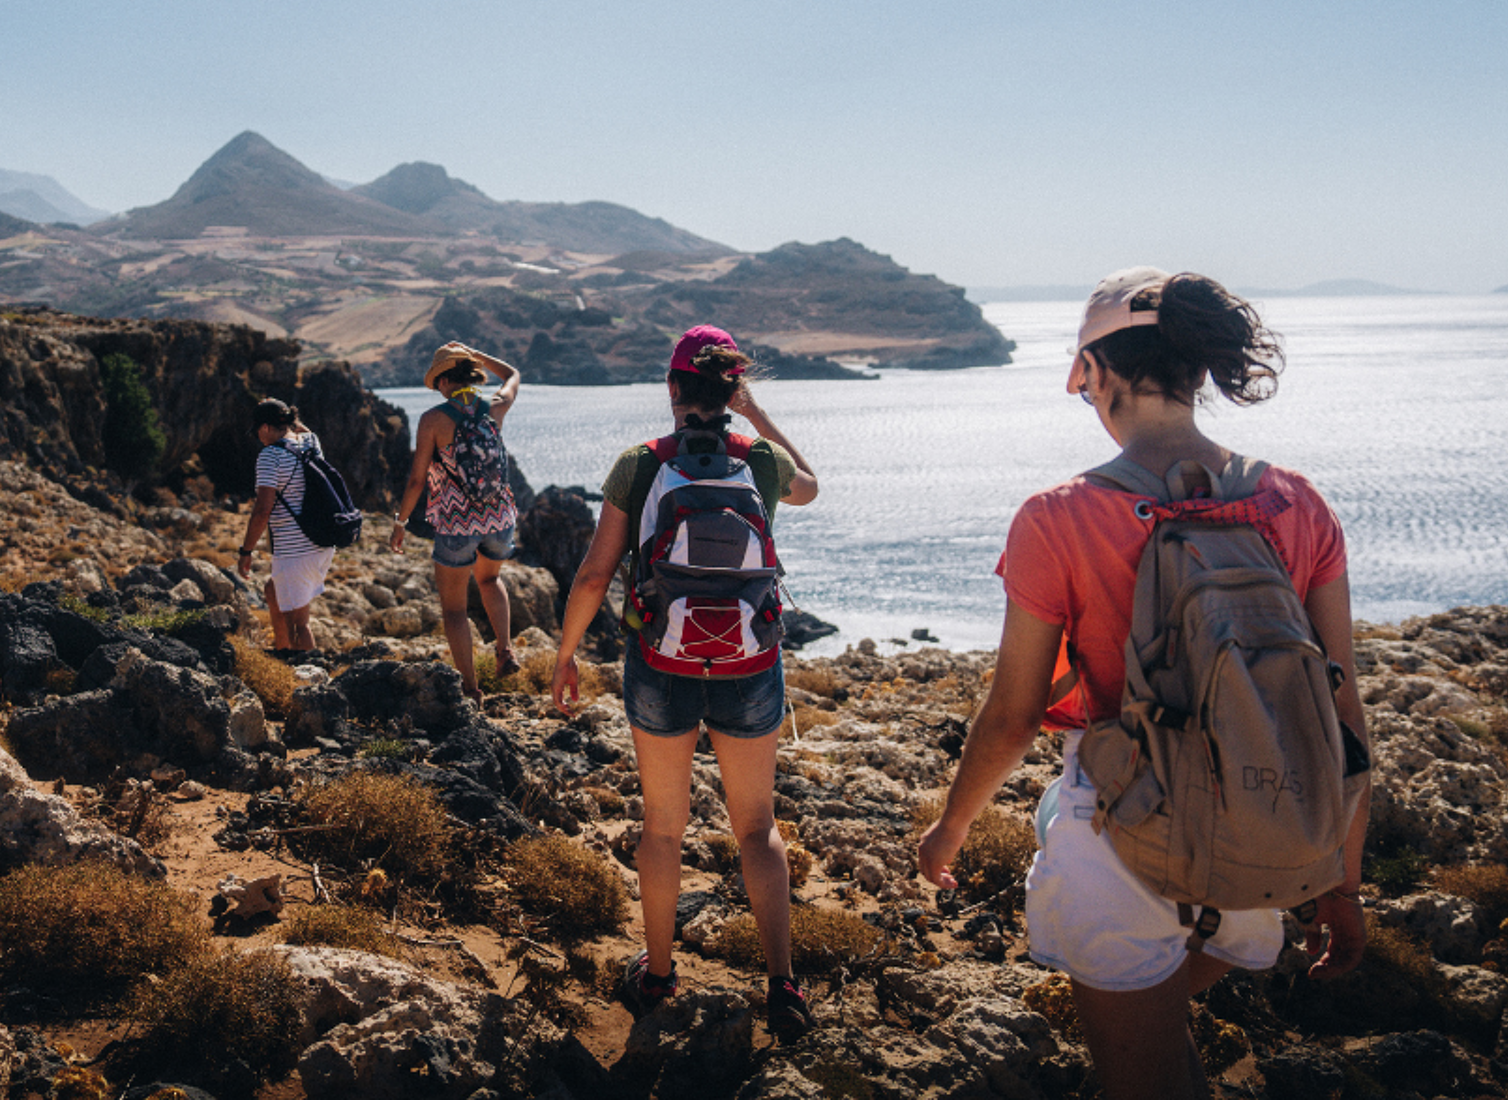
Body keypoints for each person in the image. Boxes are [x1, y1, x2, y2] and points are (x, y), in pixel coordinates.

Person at [916, 269, 1370, 1100]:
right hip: (1260, 833)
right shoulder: (1299, 504)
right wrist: (1342, 881)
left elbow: (1015, 713)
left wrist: (950, 828)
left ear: (1096, 370)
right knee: (1163, 1060)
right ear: (1197, 369)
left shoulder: (1057, 516)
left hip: (1121, 833)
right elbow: (1344, 715)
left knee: (1143, 1078)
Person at [549, 324, 819, 1041]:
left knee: (663, 827)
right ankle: (783, 983)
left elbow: (595, 572)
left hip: (660, 667)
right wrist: (757, 418)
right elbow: (812, 488)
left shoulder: (639, 466)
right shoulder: (758, 461)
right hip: (750, 665)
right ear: (732, 388)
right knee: (757, 830)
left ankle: (661, 970)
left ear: (671, 388)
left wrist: (566, 653)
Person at [390, 341, 523, 700]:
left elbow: (417, 480)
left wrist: (400, 524)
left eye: (438, 383)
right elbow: (512, 374)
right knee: (491, 580)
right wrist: (478, 354)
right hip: (499, 517)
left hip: (456, 523)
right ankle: (505, 650)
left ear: (445, 380)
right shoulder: (495, 406)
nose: (438, 389)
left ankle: (470, 687)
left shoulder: (434, 420)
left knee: (454, 608)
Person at [239, 398, 336, 651]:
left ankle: (306, 678)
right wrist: (286, 415)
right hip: (322, 542)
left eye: (259, 430)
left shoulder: (270, 455)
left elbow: (262, 510)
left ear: (264, 428)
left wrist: (246, 551)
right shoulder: (311, 445)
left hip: (296, 549)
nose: (259, 437)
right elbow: (303, 430)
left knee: (299, 623)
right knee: (273, 591)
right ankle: (282, 652)